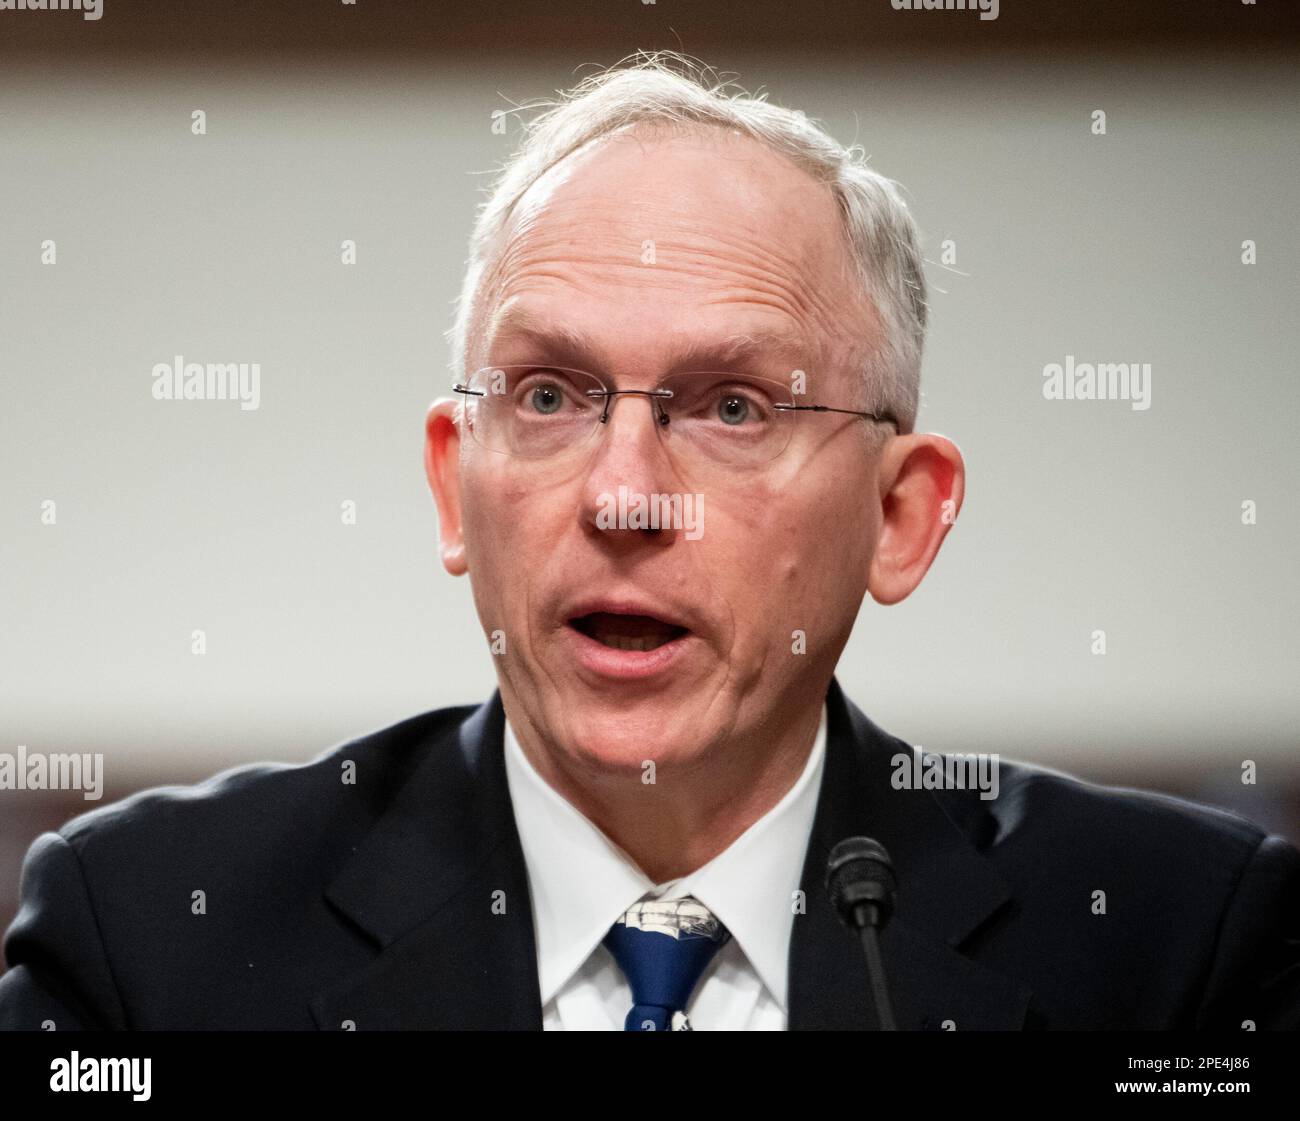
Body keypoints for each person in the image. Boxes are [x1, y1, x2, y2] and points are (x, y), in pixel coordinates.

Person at [2, 53, 1296, 1031]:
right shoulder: (148, 945)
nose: (623, 496)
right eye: (551, 396)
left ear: (901, 517)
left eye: (733, 406)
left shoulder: (1178, 948)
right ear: (456, 488)